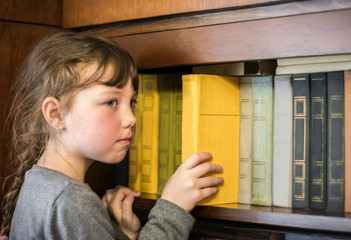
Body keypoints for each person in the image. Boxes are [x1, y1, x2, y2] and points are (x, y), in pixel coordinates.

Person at [0, 31, 224, 239]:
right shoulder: (71, 200)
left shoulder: (40, 184)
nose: (131, 118)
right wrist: (172, 209)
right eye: (111, 102)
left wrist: (121, 233)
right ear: (56, 114)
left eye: (132, 102)